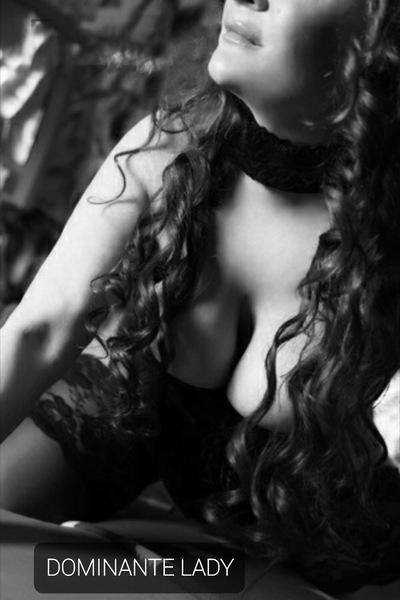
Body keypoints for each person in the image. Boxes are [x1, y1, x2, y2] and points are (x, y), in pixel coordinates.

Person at [1, 0, 400, 598]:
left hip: (320, 547)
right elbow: (39, 330)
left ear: (382, 35)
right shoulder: (170, 147)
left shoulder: (386, 243)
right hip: (140, 430)